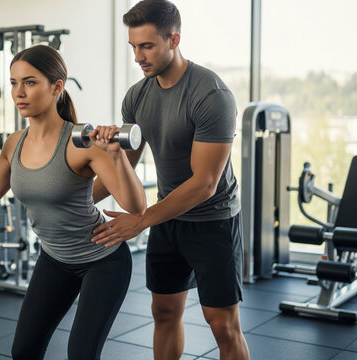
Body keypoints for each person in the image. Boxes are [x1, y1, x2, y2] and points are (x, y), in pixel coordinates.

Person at [0, 44, 146, 360]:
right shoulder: (15, 142)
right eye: (14, 83)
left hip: (103, 261)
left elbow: (135, 206)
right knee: (24, 351)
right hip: (54, 259)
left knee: (81, 353)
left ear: (56, 87)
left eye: (29, 82)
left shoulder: (83, 143)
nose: (19, 93)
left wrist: (116, 154)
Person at [91, 1, 251, 359]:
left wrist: (142, 221)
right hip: (168, 219)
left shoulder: (211, 95)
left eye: (146, 46)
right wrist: (77, 201)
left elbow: (205, 182)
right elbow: (123, 169)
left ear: (174, 39)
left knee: (222, 324)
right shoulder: (137, 96)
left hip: (213, 220)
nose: (137, 57)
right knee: (163, 313)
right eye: (133, 46)